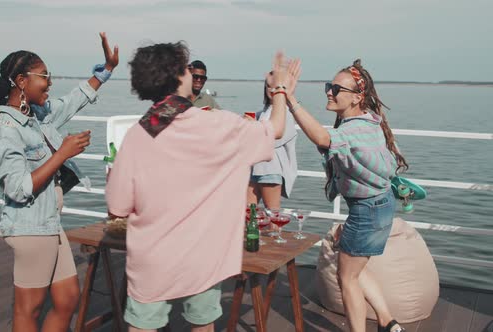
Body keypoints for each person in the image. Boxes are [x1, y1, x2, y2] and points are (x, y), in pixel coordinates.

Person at [105, 42, 299, 332]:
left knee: (143, 326)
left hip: (153, 258)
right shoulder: (219, 125)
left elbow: (117, 205)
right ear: (178, 76)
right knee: (202, 325)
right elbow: (276, 129)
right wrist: (280, 90)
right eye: (186, 68)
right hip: (204, 256)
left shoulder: (140, 133)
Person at [0, 32, 119, 331]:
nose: (50, 82)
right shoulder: (7, 128)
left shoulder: (36, 116)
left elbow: (71, 102)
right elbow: (18, 189)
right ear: (21, 81)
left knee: (67, 298)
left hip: (48, 223)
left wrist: (106, 71)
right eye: (44, 76)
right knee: (28, 310)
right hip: (29, 226)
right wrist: (62, 154)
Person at [287, 59, 407, 332]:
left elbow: (322, 139)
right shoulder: (369, 122)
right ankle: (388, 322)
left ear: (357, 97)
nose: (329, 92)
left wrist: (290, 99)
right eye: (329, 86)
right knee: (356, 270)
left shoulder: (352, 130)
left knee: (347, 278)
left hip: (368, 209)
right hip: (379, 204)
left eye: (336, 88)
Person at [246, 71, 299, 210]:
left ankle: (275, 232)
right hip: (255, 168)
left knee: (272, 213)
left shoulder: (285, 112)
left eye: (276, 87)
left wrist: (254, 128)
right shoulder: (264, 110)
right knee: (248, 212)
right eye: (269, 86)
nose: (272, 90)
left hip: (271, 168)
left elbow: (275, 138)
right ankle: (253, 232)